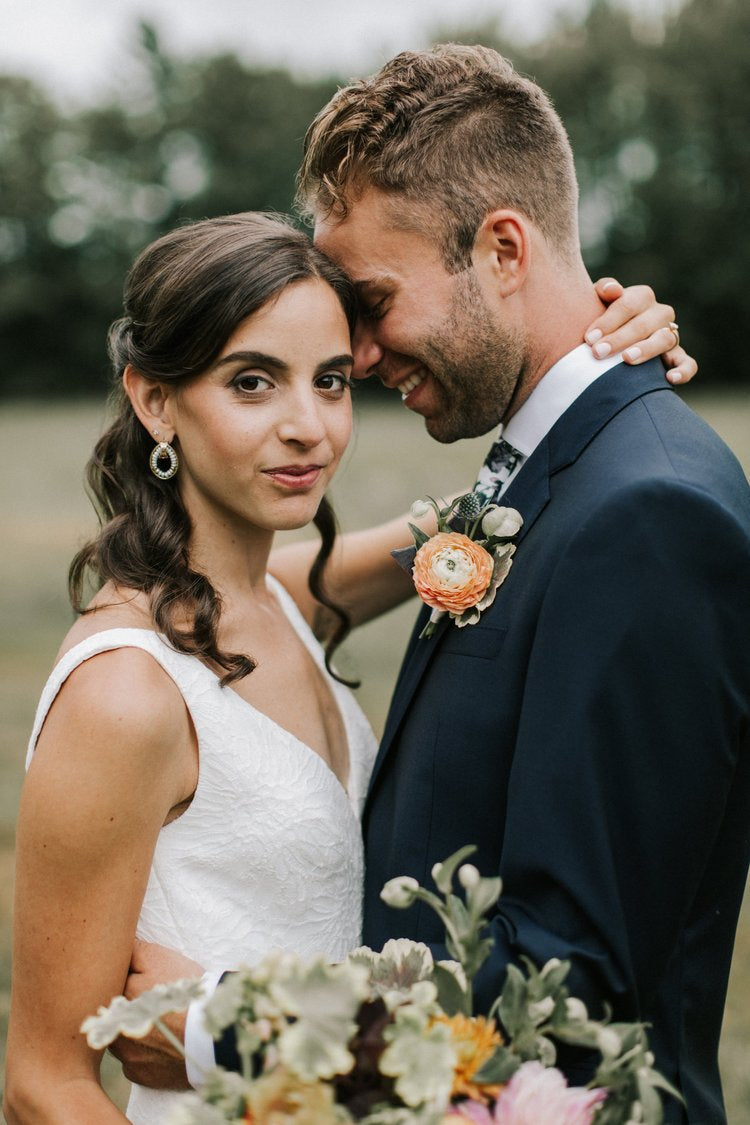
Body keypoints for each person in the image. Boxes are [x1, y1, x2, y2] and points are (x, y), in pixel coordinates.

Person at [116, 46, 750, 1124]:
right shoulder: (551, 478)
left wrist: (225, 1027)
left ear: (503, 248)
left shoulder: (647, 513)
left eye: (371, 301)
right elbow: (264, 595)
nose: (356, 356)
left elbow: (575, 986)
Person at [4, 206, 681, 1124]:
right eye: (252, 383)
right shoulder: (127, 693)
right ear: (155, 398)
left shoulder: (277, 598)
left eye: (328, 381)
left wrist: (600, 348)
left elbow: (476, 520)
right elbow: (45, 1082)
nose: (307, 427)